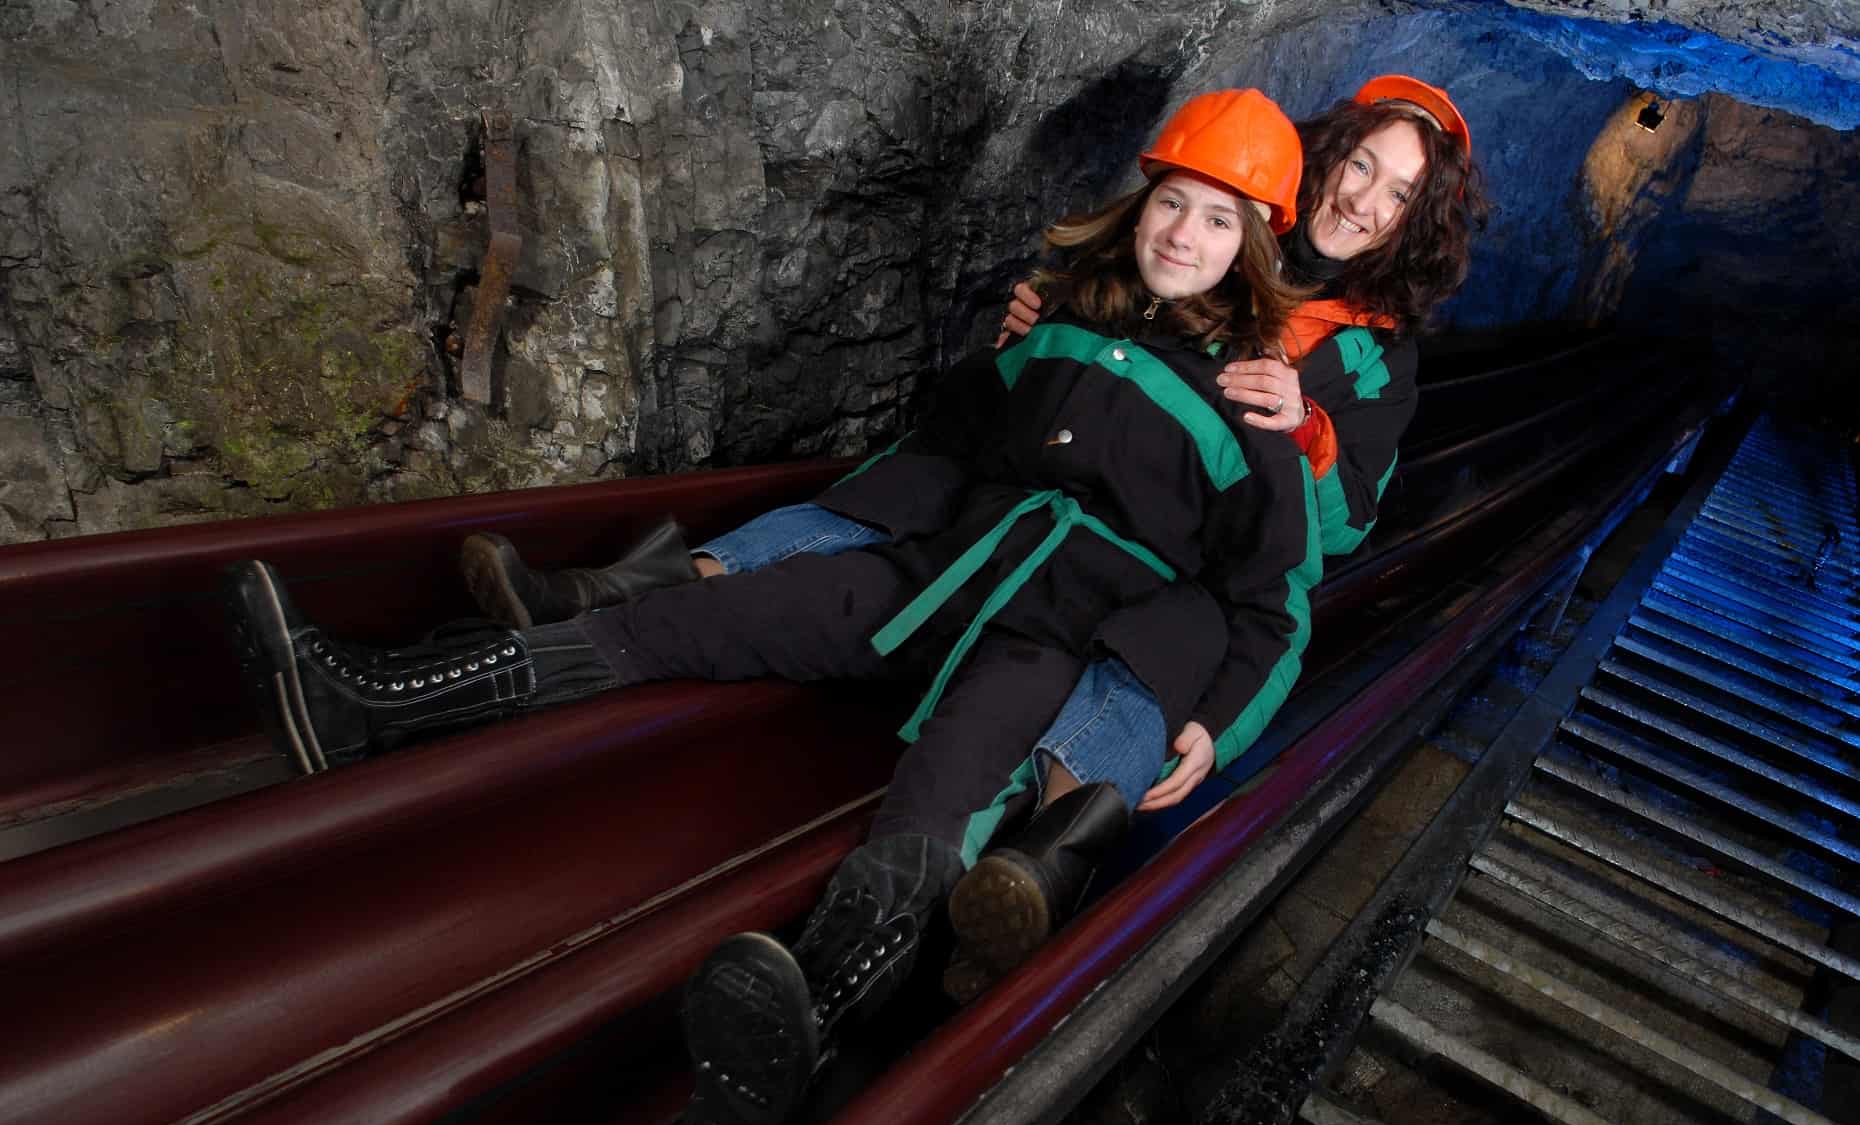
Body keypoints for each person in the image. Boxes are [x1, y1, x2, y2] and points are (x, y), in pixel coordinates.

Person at [226, 86, 1327, 1125]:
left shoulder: (1250, 412)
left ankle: (802, 1033)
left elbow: (1272, 606)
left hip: (1046, 638)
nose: (1184, 234)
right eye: (1172, 204)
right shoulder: (1058, 326)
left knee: (940, 805)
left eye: (1220, 219)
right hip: (931, 579)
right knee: (692, 621)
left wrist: (1217, 723)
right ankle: (374, 703)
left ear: (1253, 250)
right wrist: (982, 367)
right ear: (1139, 207)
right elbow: (953, 446)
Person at [453, 76, 1486, 999]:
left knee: (1148, 650)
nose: (1364, 199)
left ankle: (1050, 848)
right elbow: (1004, 405)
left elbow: (1321, 542)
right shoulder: (1158, 270)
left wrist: (1299, 426)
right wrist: (1049, 336)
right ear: (1319, 163)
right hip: (1017, 533)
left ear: (1410, 224)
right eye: (1360, 166)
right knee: (902, 504)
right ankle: (597, 602)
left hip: (1149, 569)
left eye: (1398, 194)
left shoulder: (1365, 358)